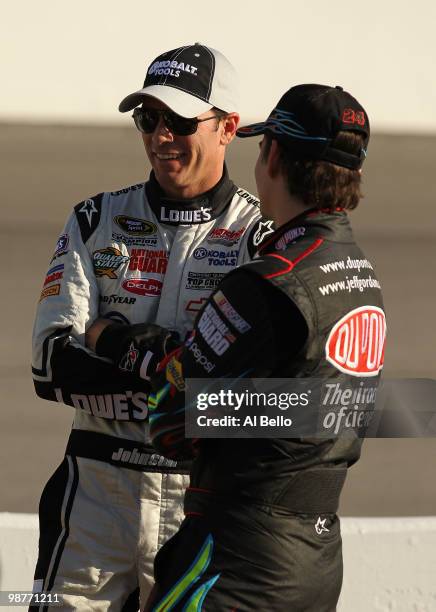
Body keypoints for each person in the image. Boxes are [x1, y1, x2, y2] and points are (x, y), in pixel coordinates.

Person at [31, 43, 272, 611]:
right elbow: (49, 365)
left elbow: (263, 394)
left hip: (202, 497)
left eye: (180, 120)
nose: (161, 135)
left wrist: (113, 342)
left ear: (227, 127)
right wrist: (175, 368)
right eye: (148, 118)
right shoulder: (96, 220)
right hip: (96, 489)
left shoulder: (260, 240)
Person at [145, 84, 387, 611]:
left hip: (237, 560)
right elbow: (314, 407)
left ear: (272, 154)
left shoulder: (267, 283)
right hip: (317, 560)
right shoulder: (363, 278)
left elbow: (167, 418)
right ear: (356, 173)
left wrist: (151, 349)